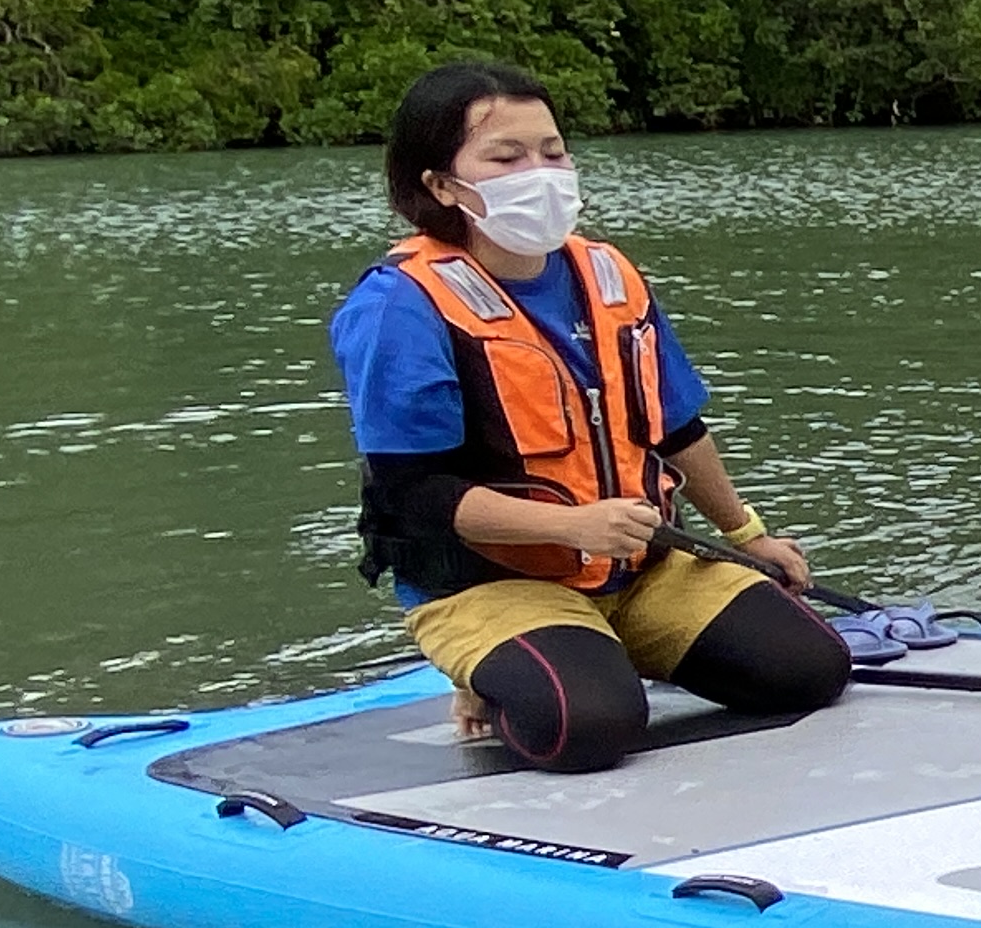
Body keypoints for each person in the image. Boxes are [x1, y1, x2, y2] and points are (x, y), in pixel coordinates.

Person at [332, 62, 847, 773]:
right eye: (505, 158)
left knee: (809, 668)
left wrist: (747, 535)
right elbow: (412, 496)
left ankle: (600, 643)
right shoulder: (400, 304)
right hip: (491, 581)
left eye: (552, 151)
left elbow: (676, 428)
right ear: (441, 185)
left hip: (637, 567)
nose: (538, 172)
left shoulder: (608, 274)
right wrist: (569, 527)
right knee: (591, 725)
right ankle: (501, 669)